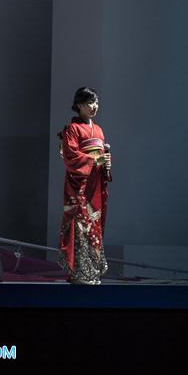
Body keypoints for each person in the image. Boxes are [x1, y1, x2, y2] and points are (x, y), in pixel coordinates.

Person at [57, 87, 111, 285]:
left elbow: (101, 156)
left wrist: (106, 162)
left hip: (94, 186)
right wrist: (94, 160)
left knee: (94, 225)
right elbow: (70, 156)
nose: (94, 106)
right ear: (79, 105)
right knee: (79, 225)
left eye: (96, 102)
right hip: (78, 185)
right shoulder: (72, 129)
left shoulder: (98, 130)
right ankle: (79, 273)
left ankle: (92, 272)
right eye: (89, 102)